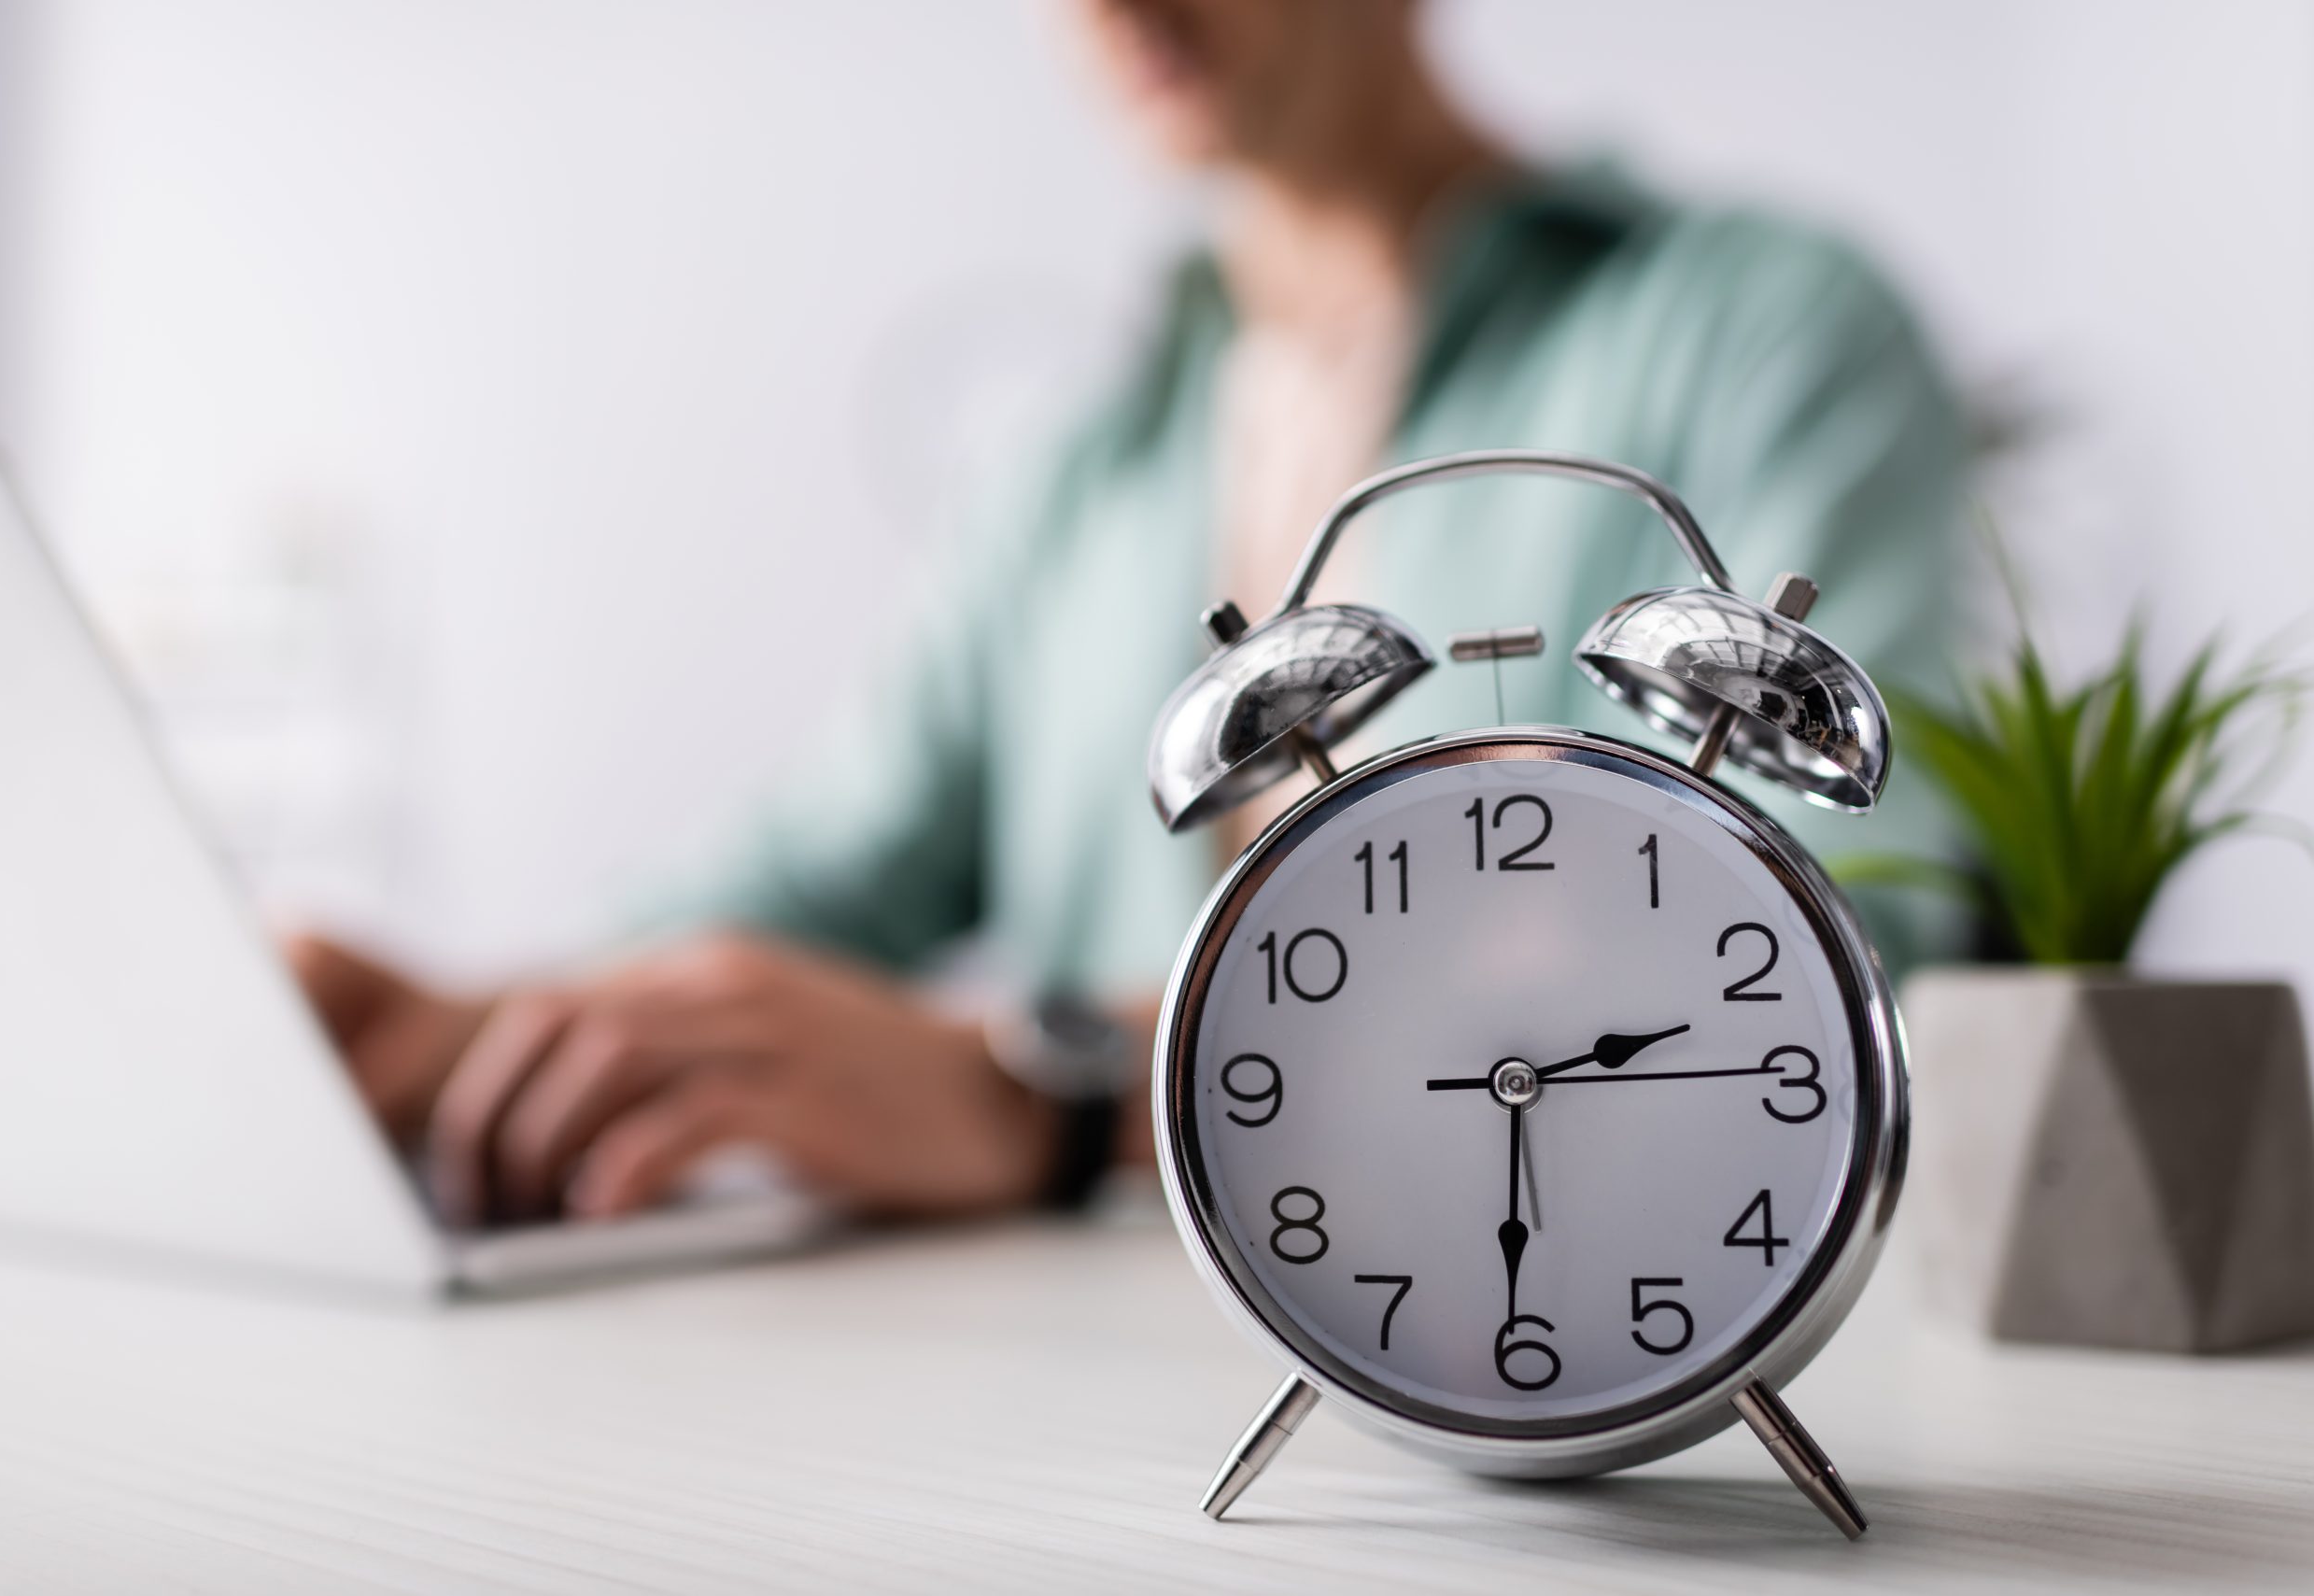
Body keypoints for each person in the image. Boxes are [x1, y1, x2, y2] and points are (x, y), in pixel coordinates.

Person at [293, 0, 1968, 1230]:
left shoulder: (1760, 332)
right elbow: (828, 873)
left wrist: (1056, 1091)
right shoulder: (1074, 474)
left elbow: (1830, 946)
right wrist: (472, 1028)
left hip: (1556, 1385)